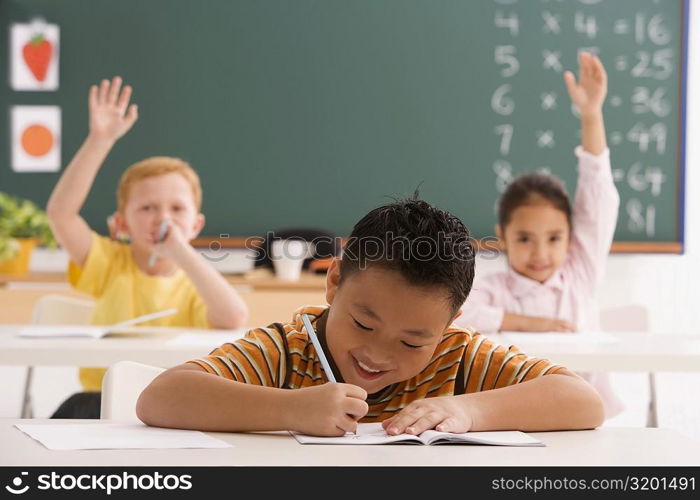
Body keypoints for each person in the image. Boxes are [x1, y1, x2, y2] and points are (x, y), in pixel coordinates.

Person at [136, 196, 604, 436]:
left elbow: (583, 401)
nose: (378, 353)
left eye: (412, 342)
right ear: (334, 281)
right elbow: (160, 397)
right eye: (363, 323)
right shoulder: (288, 348)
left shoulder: (457, 356)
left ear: (452, 322)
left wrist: (468, 408)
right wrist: (289, 410)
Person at [46, 77, 248, 418]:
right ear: (122, 224)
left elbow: (234, 318)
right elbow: (60, 214)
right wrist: (100, 141)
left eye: (177, 209)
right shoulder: (110, 262)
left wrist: (181, 252)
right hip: (101, 400)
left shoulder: (195, 282)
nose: (162, 218)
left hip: (171, 407)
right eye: (147, 208)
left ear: (196, 225)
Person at [456, 52, 623, 418]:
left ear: (571, 237)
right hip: (516, 419)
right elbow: (455, 316)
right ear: (502, 236)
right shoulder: (495, 288)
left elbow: (598, 195)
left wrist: (591, 114)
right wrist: (531, 324)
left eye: (553, 238)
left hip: (588, 419)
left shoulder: (580, 273)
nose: (540, 253)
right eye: (525, 238)